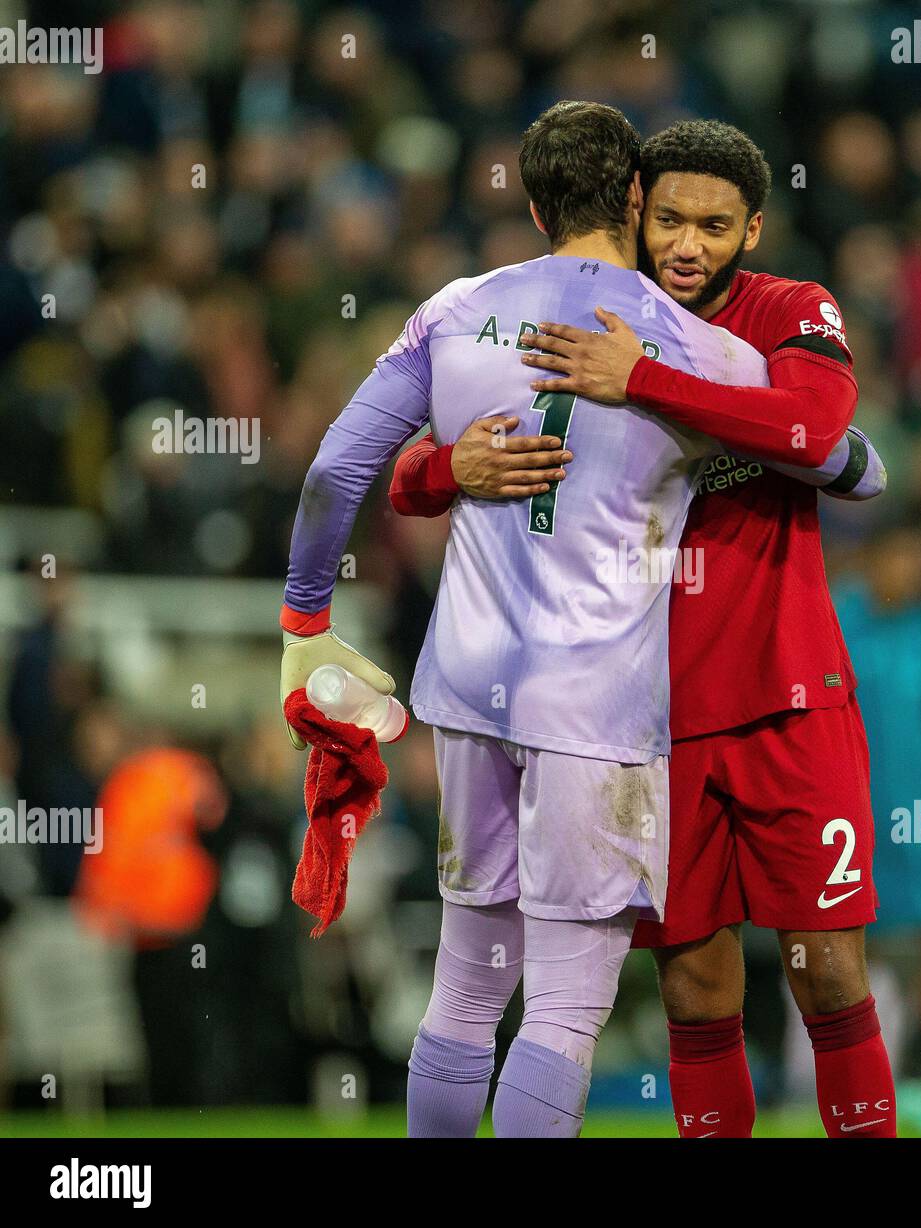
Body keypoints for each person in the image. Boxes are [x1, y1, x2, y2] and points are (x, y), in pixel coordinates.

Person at [283, 102, 867, 1138]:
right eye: (671, 220)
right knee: (601, 998)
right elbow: (838, 452)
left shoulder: (461, 310)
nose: (687, 246)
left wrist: (308, 618)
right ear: (635, 202)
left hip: (504, 689)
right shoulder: (695, 343)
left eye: (715, 228)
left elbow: (338, 470)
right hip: (611, 707)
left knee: (472, 984)